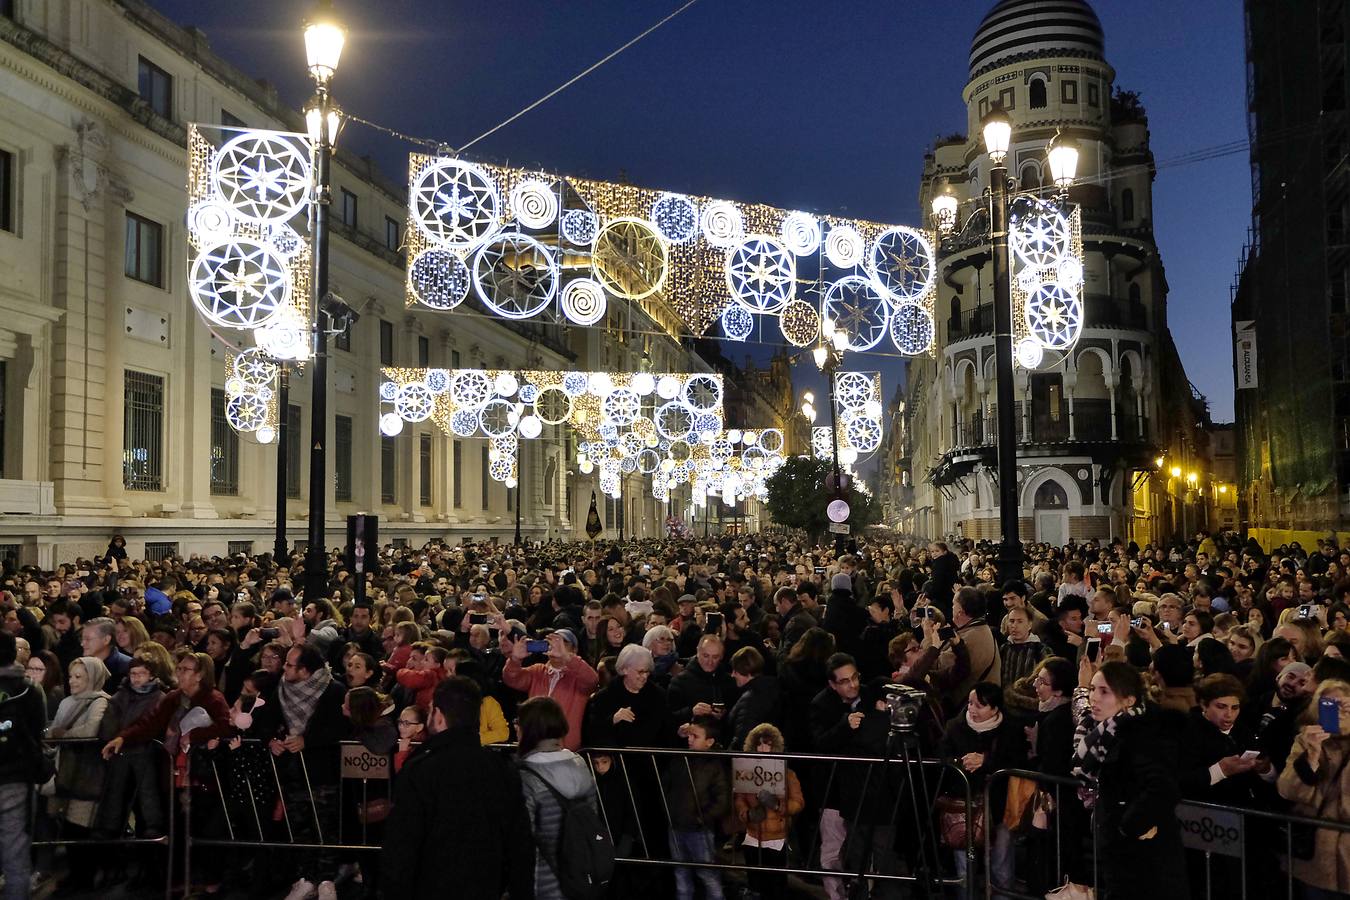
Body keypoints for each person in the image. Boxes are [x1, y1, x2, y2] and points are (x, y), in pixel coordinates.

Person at [382, 677, 534, 900]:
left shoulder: (420, 770)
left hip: (430, 887)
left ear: (440, 716)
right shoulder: (501, 770)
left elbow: (401, 847)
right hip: (486, 886)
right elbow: (520, 844)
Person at [1072, 659, 1188, 900]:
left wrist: (1127, 826)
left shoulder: (1142, 735)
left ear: (1129, 700)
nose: (1094, 697)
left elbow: (1162, 787)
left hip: (1144, 853)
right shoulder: (1103, 732)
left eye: (1105, 691)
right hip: (1120, 851)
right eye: (1093, 689)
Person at [517, 695, 600, 900]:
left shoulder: (527, 777)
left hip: (541, 882)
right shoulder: (580, 764)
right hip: (581, 877)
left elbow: (522, 841)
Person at [1277, 678, 1350, 898]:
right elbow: (1287, 789)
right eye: (1328, 704)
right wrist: (1311, 757)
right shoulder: (1306, 740)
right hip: (1316, 856)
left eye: (1342, 705)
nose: (1336, 711)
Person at [0, 630, 47, 900]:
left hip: (14, 773)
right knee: (15, 847)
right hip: (16, 776)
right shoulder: (28, 689)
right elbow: (39, 728)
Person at [735, 723, 804, 900]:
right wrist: (747, 814)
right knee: (755, 885)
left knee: (777, 887)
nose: (763, 748)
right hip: (752, 837)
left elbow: (798, 803)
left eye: (767, 744)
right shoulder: (746, 772)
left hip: (776, 839)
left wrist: (777, 805)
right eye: (759, 744)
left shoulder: (787, 773)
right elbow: (739, 799)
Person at [665, 714, 730, 900]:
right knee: (681, 875)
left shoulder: (714, 765)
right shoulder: (679, 758)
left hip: (699, 830)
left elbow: (721, 799)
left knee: (708, 875)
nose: (690, 739)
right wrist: (670, 811)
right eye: (689, 735)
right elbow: (666, 784)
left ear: (709, 742)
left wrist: (702, 818)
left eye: (696, 736)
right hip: (676, 825)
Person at [502, 627, 598, 751]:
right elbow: (512, 679)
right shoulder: (537, 671)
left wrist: (567, 657)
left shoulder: (578, 677)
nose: (556, 646)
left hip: (565, 748)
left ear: (574, 649)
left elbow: (592, 680)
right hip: (534, 745)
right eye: (552, 642)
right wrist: (514, 660)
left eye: (563, 643)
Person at [726, 646, 780, 752]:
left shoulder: (750, 701)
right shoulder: (773, 689)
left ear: (746, 671)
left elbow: (743, 738)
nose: (732, 675)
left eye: (735, 671)